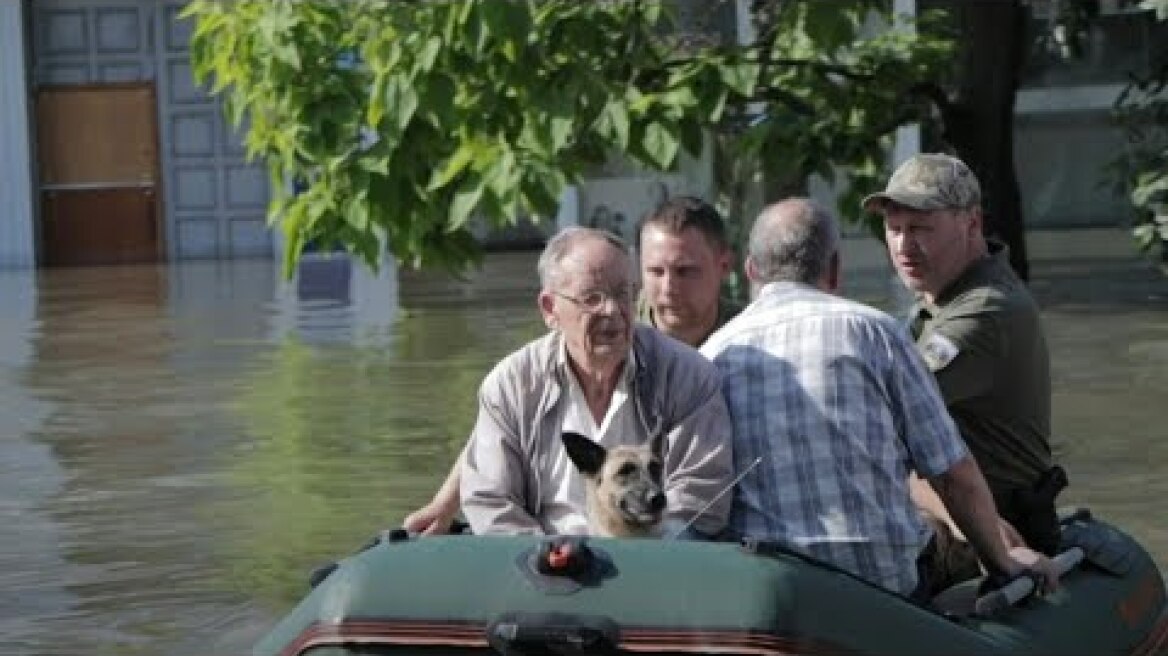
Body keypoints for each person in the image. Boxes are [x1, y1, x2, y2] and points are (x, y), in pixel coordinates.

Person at [700, 198, 1057, 599]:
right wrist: (1006, 562)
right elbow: (953, 476)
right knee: (939, 535)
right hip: (885, 587)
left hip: (772, 591)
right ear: (834, 268)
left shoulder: (711, 356)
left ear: (750, 270)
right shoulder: (876, 332)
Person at [403, 196, 740, 534]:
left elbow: (699, 499)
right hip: (543, 566)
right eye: (592, 298)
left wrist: (641, 555)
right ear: (550, 310)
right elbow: (490, 500)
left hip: (655, 560)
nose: (611, 310)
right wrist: (547, 557)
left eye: (622, 294)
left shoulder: (688, 375)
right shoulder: (511, 384)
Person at [862, 153, 1065, 556]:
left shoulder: (985, 312)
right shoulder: (938, 301)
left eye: (921, 228)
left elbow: (873, 419)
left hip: (995, 523)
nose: (904, 245)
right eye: (894, 227)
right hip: (957, 504)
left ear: (971, 224)